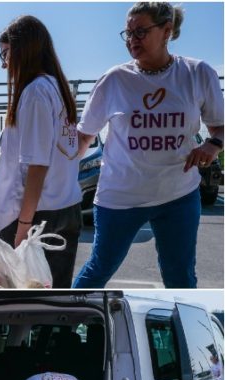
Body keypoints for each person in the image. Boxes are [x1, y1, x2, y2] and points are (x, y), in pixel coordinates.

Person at [73, 2, 224, 288]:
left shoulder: (197, 73)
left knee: (180, 276)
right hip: (120, 197)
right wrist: (56, 177)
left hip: (178, 195)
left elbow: (220, 125)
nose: (132, 40)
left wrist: (213, 144)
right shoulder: (114, 80)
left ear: (167, 31)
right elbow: (84, 137)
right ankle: (58, 324)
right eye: (128, 33)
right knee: (99, 268)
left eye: (140, 32)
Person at [0, 15, 83, 288]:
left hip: (36, 214)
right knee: (55, 292)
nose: (4, 63)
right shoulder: (58, 88)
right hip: (66, 206)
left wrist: (22, 227)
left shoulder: (34, 93)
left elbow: (37, 166)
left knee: (20, 292)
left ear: (23, 50)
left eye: (6, 53)